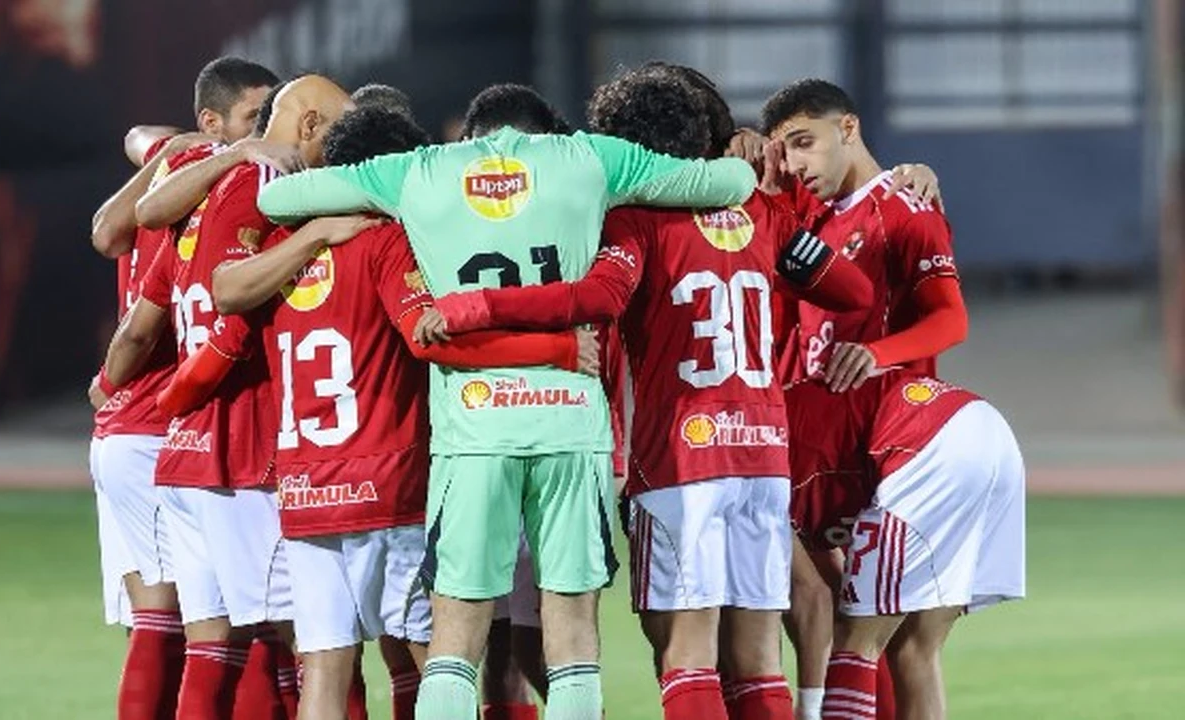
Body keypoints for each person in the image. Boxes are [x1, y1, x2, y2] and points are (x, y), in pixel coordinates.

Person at [257, 82, 758, 720]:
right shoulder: (591, 158)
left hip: (473, 433)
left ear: (473, 135)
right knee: (570, 636)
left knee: (455, 642)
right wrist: (741, 148)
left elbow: (276, 198)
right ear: (547, 131)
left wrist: (325, 211)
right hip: (569, 427)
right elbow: (732, 184)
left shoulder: (418, 171)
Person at [413, 70, 871, 720]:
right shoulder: (760, 210)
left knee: (686, 655)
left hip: (683, 459)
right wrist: (781, 219)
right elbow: (853, 291)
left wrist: (480, 304)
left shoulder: (633, 221)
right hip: (763, 458)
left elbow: (598, 296)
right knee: (758, 660)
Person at [163, 103, 599, 720]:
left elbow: (220, 321)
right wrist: (556, 349)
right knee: (438, 657)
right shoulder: (386, 242)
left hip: (306, 492)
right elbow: (428, 338)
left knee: (324, 670)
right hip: (389, 489)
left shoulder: (283, 247)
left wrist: (157, 401)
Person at [95, 74, 355, 720]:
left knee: (213, 644)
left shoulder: (192, 193)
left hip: (183, 444)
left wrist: (119, 387)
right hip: (236, 442)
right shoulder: (273, 189)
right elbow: (229, 309)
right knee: (318, 643)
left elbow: (137, 218)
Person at [760, 78, 967, 720]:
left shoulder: (905, 207)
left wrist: (877, 353)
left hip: (888, 448)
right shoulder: (810, 221)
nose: (796, 163)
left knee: (888, 635)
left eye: (805, 142)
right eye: (785, 150)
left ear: (847, 128)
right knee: (839, 617)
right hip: (819, 450)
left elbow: (950, 319)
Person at [85, 55, 279, 720]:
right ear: (214, 123)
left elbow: (130, 159)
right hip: (165, 421)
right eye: (256, 116)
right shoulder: (235, 186)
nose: (266, 128)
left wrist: (167, 148)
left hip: (143, 428)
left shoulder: (180, 170)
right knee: (242, 625)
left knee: (188, 625)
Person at [786, 373, 1025, 720]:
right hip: (980, 424)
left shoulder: (749, 475)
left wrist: (809, 706)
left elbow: (812, 594)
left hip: (917, 441)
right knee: (914, 648)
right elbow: (827, 589)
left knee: (856, 642)